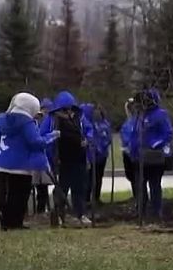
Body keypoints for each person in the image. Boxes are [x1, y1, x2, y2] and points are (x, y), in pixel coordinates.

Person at [0, 92, 59, 231]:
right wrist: (51, 137)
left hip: (4, 162)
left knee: (10, 194)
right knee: (21, 194)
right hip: (21, 163)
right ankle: (16, 222)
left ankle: (6, 222)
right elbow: (35, 142)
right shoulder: (26, 122)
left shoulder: (3, 118)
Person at [42, 90, 92, 226]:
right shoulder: (52, 119)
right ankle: (58, 214)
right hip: (61, 159)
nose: (68, 112)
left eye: (70, 109)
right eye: (65, 109)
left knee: (79, 187)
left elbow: (88, 129)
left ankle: (80, 214)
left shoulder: (79, 117)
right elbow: (43, 136)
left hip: (79, 157)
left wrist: (87, 140)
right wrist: (52, 143)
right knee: (61, 188)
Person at [130, 88, 173, 220]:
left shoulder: (160, 115)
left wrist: (155, 144)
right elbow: (135, 134)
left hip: (153, 157)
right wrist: (132, 149)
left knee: (154, 185)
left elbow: (168, 133)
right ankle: (141, 211)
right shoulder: (140, 116)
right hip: (139, 157)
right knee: (140, 185)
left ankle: (156, 211)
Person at [82, 103, 112, 206]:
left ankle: (95, 198)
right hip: (90, 156)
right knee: (89, 179)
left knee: (98, 178)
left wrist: (100, 148)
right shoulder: (86, 124)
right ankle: (86, 199)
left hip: (101, 156)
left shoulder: (103, 124)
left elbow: (107, 138)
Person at [31, 98, 55, 216]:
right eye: (44, 109)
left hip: (45, 158)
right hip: (35, 158)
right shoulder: (35, 123)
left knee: (44, 185)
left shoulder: (51, 121)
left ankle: (42, 208)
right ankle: (39, 209)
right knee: (38, 185)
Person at [120, 98, 138, 204]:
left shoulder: (137, 123)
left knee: (136, 177)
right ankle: (138, 197)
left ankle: (139, 198)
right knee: (132, 177)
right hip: (128, 154)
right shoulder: (127, 124)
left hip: (134, 154)